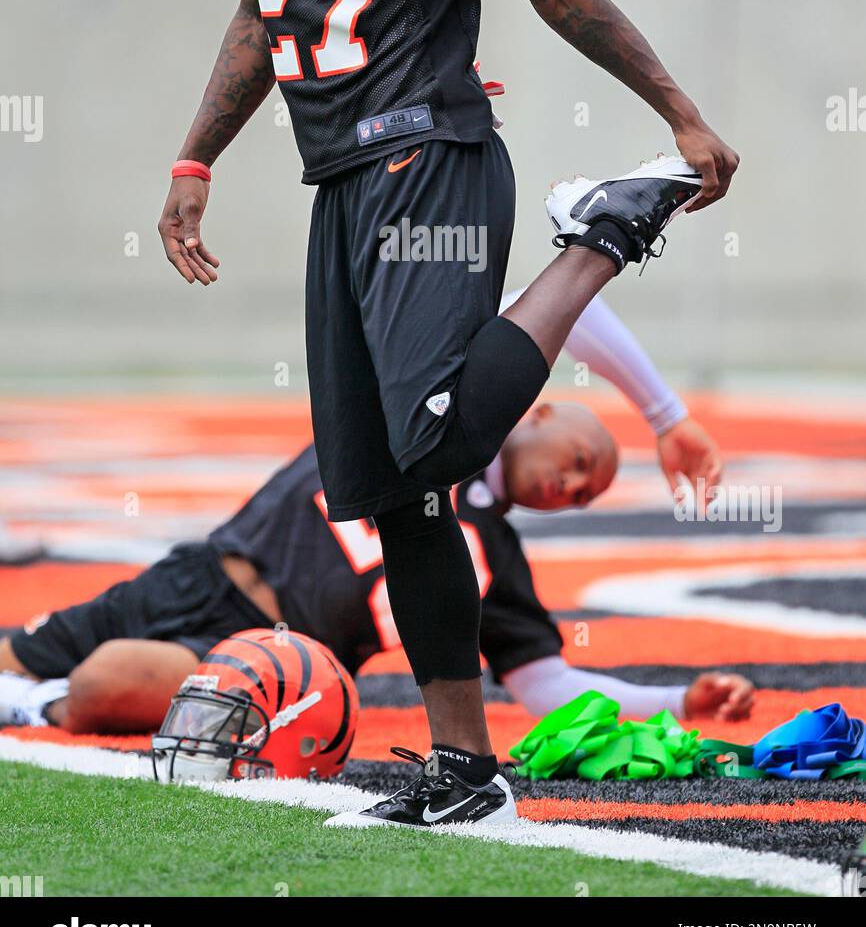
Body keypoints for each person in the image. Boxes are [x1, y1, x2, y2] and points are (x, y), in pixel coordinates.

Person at [156, 0, 739, 828]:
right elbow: (267, 13)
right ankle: (464, 769)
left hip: (430, 157)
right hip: (341, 183)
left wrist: (676, 113)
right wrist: (194, 152)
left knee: (433, 443)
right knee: (389, 494)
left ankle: (602, 236)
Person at [0, 298, 751, 734]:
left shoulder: (495, 554)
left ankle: (41, 706)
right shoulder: (433, 402)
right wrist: (664, 414)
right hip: (201, 574)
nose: (572, 484)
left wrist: (674, 703)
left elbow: (545, 684)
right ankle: (27, 691)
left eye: (584, 495)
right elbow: (571, 301)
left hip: (275, 661)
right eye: (581, 460)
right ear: (540, 408)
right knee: (20, 650)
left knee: (109, 684)